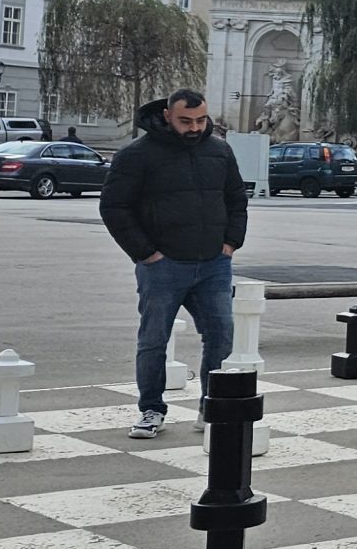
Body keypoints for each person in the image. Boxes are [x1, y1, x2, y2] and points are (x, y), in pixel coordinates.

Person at [99, 88, 247, 439]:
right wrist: (146, 253)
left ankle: (211, 408)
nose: (194, 128)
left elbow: (236, 199)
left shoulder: (220, 151)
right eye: (185, 121)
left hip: (213, 263)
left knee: (221, 336)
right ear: (167, 116)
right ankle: (151, 409)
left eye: (201, 120)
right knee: (154, 339)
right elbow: (114, 207)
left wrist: (230, 244)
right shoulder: (137, 154)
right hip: (163, 265)